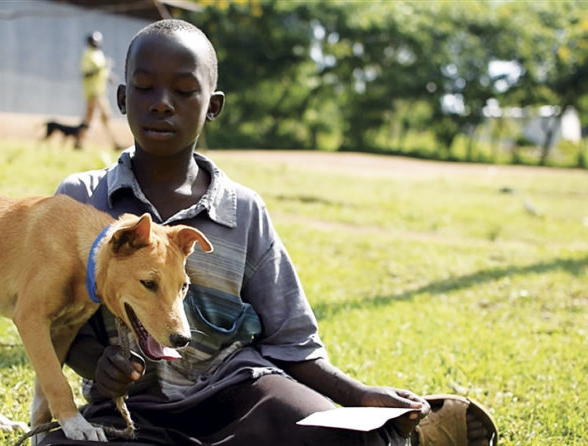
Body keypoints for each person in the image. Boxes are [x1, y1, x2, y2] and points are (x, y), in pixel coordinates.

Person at [37, 19, 496, 446]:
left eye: (183, 90)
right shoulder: (81, 201)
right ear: (122, 98)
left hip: (242, 398)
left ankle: (403, 435)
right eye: (143, 88)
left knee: (328, 432)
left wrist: (358, 395)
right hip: (126, 409)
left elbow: (291, 340)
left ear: (213, 106)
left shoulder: (243, 211)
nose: (161, 102)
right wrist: (96, 362)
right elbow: (48, 316)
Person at [78, 31, 120, 150]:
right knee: (105, 116)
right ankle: (115, 142)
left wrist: (109, 76)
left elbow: (102, 71)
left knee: (89, 118)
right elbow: (86, 73)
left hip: (100, 90)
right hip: (93, 92)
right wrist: (101, 68)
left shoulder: (99, 54)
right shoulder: (88, 55)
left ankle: (79, 141)